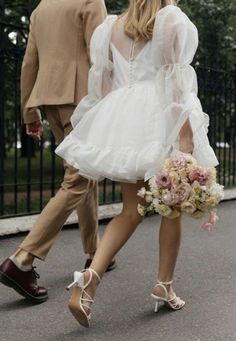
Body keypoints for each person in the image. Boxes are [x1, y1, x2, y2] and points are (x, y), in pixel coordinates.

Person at [55, 0, 219, 327]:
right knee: (171, 206)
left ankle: (90, 277)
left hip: (124, 118)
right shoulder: (170, 19)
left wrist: (108, 126)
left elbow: (102, 86)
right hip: (160, 118)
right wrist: (184, 142)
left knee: (130, 211)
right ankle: (164, 285)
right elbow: (176, 82)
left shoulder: (110, 27)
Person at [0, 0, 115, 304]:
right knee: (78, 179)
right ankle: (22, 260)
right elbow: (100, 54)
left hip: (50, 98)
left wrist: (29, 112)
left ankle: (94, 253)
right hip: (82, 98)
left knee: (83, 173)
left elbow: (29, 62)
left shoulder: (41, 8)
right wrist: (114, 102)